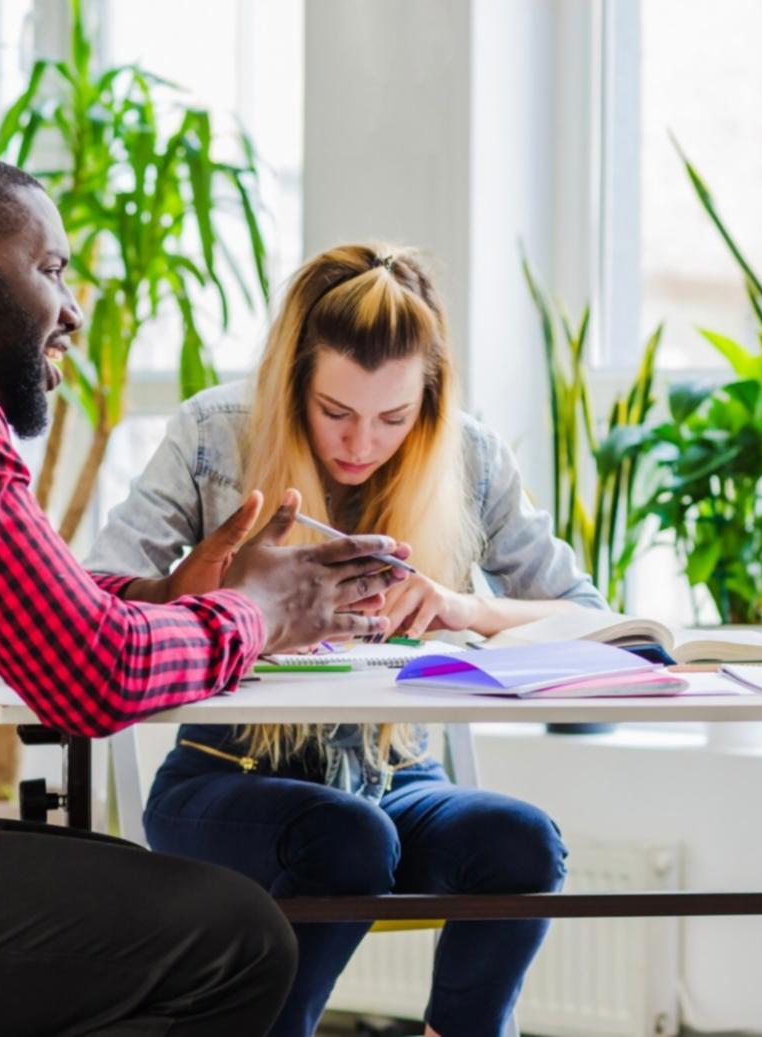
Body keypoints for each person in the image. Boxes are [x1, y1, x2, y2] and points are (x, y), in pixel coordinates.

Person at [0, 151, 412, 1035]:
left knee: (106, 895)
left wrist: (163, 594)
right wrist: (258, 612)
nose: (70, 310)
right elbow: (90, 676)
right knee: (234, 937)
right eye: (50, 269)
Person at [87, 242, 601, 1036]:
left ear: (426, 399)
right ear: (294, 381)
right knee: (346, 836)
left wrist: (465, 608)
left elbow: (587, 617)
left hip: (399, 778)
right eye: (336, 412)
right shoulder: (212, 433)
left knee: (519, 842)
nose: (361, 443)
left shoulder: (469, 454)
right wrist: (230, 589)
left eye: (393, 417)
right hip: (230, 780)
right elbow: (99, 593)